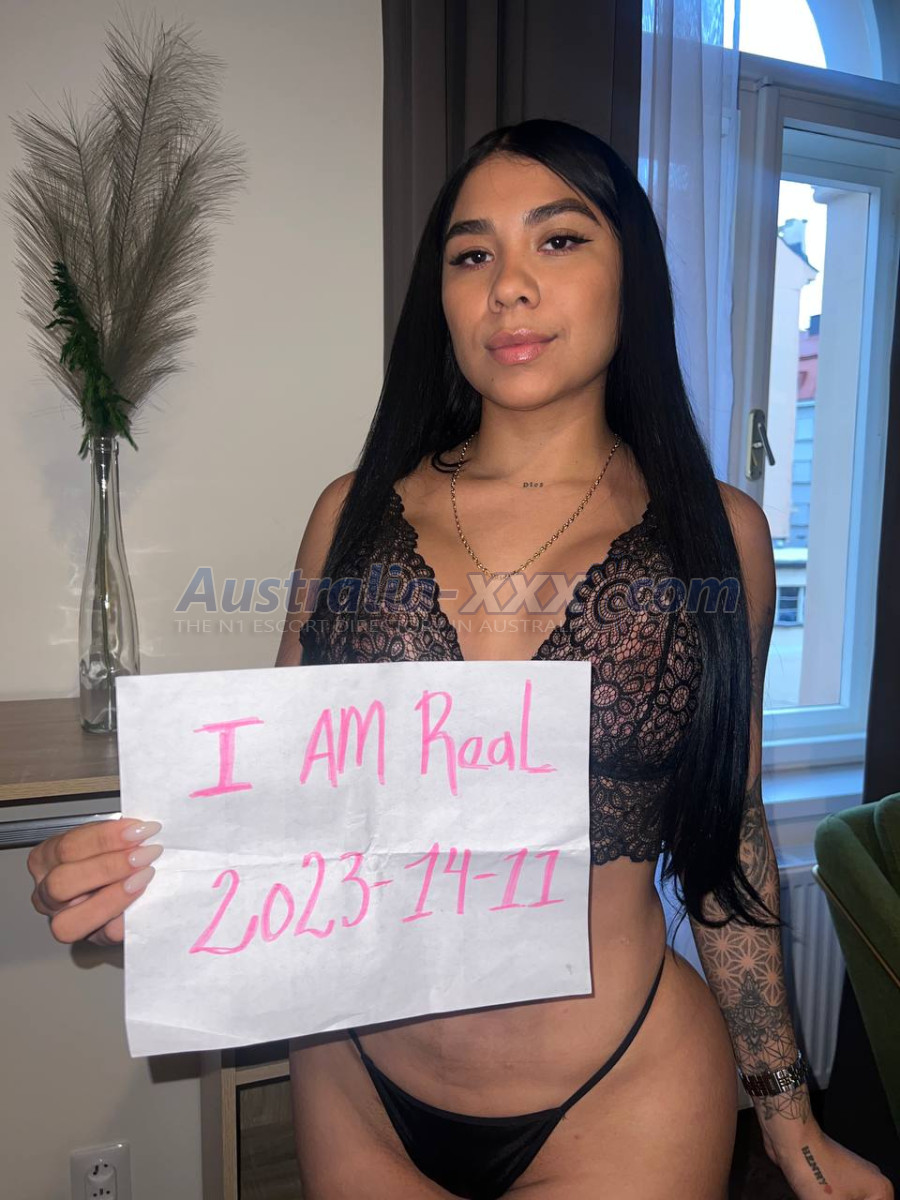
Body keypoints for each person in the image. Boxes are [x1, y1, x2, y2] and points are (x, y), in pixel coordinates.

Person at [26, 120, 891, 1200]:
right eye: (472, 254)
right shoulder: (349, 517)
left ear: (633, 276)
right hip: (358, 1088)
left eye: (559, 241)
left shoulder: (720, 537)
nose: (508, 286)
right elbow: (278, 818)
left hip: (624, 1094)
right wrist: (143, 894)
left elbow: (733, 836)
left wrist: (789, 1114)